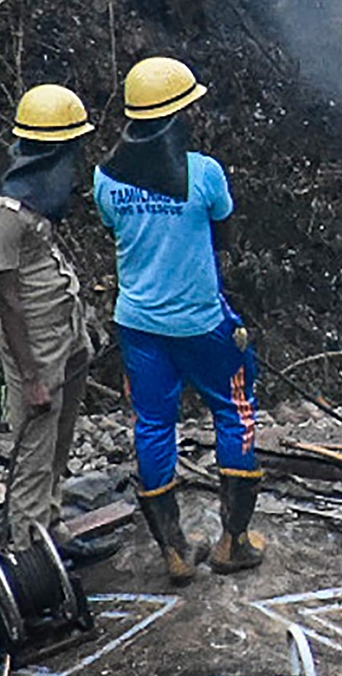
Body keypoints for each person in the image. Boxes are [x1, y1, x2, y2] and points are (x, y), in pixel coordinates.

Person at [95, 57, 265, 583]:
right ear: (175, 117)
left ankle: (172, 550)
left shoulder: (105, 179)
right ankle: (232, 542)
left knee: (152, 425)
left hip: (140, 326)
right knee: (235, 411)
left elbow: (116, 231)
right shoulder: (204, 173)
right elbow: (224, 238)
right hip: (201, 325)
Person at [0, 85, 122, 565]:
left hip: (65, 333)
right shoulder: (0, 215)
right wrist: (33, 375)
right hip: (34, 346)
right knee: (35, 450)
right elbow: (7, 298)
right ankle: (29, 554)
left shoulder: (34, 199)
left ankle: (52, 531)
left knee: (59, 442)